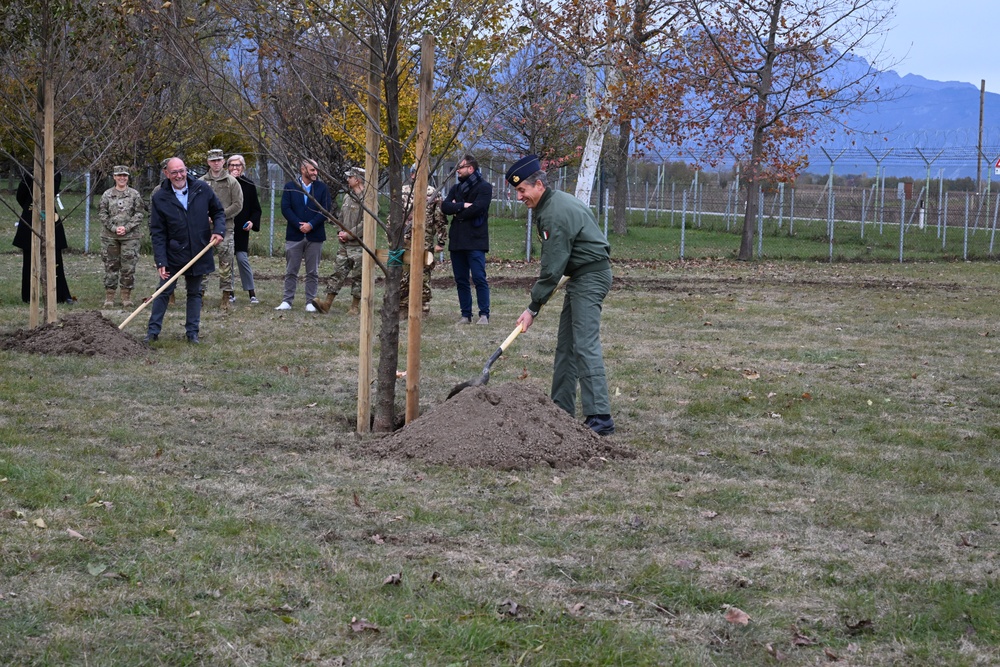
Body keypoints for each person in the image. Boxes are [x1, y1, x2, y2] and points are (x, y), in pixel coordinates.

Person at [508, 154, 615, 436]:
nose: (519, 197)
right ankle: (561, 410)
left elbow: (552, 267)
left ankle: (600, 416)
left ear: (539, 185)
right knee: (566, 345)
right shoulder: (554, 203)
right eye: (517, 191)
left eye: (522, 190)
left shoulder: (554, 212)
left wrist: (533, 307)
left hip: (590, 277)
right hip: (581, 276)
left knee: (584, 345)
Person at [145, 157, 225, 344]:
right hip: (173, 253)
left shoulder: (201, 189)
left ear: (186, 170)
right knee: (163, 291)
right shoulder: (160, 197)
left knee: (195, 292)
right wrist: (161, 261)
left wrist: (219, 231)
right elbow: (157, 232)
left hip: (198, 249)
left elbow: (218, 212)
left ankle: (192, 333)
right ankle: (152, 332)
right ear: (166, 173)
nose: (179, 175)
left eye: (182, 170)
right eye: (174, 172)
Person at [440, 154, 491, 324]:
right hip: (457, 241)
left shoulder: (485, 187)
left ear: (471, 168)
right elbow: (445, 207)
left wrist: (457, 211)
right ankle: (465, 314)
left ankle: (484, 314)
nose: (458, 171)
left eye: (460, 167)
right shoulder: (456, 188)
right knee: (461, 280)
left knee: (478, 278)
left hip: (476, 240)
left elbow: (478, 209)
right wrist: (461, 205)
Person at [13, 170, 75, 304]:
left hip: (50, 218)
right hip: (31, 218)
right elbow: (21, 196)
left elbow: (52, 192)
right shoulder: (29, 173)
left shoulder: (55, 172)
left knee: (56, 258)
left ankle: (62, 296)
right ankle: (29, 296)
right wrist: (31, 208)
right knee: (30, 260)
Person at [277, 158, 330, 311]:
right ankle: (287, 301)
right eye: (312, 170)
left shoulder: (322, 188)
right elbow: (285, 208)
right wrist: (299, 224)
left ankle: (310, 302)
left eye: (316, 170)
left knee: (312, 272)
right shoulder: (290, 186)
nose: (315, 173)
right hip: (295, 234)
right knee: (291, 270)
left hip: (315, 236)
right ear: (303, 170)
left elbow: (325, 209)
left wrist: (311, 224)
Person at [312, 167, 365, 316]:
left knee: (358, 276)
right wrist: (340, 232)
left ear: (358, 179)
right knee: (337, 273)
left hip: (359, 246)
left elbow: (366, 223)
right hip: (344, 245)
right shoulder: (348, 197)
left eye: (350, 177)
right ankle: (326, 304)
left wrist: (349, 235)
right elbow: (341, 217)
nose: (347, 180)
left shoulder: (368, 199)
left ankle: (355, 307)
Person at [201, 148, 243, 308]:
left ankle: (226, 297)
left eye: (219, 160)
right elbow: (194, 203)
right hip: (204, 229)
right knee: (203, 262)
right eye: (213, 160)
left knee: (226, 264)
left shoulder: (232, 182)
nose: (216, 163)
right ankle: (200, 295)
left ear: (223, 161)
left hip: (225, 228)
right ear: (208, 162)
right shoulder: (201, 182)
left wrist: (219, 215)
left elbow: (238, 204)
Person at [98, 165, 145, 308]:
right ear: (114, 177)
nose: (122, 178)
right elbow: (102, 213)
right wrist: (113, 228)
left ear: (128, 177)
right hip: (110, 237)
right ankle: (110, 297)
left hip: (130, 237)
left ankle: (126, 296)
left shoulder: (134, 194)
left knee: (128, 267)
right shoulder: (107, 194)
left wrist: (127, 227)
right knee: (111, 266)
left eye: (124, 175)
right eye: (119, 175)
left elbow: (139, 213)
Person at [399, 184, 447, 317]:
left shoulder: (432, 192)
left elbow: (439, 217)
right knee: (403, 273)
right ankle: (403, 305)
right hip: (404, 239)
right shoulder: (404, 190)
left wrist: (441, 240)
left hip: (424, 240)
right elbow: (394, 214)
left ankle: (423, 306)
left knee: (423, 273)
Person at [226, 154, 262, 304]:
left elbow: (256, 209)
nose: (235, 168)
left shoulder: (248, 184)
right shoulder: (224, 184)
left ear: (243, 167)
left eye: (238, 165)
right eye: (232, 165)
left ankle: (251, 293)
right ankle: (229, 292)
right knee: (227, 261)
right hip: (226, 227)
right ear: (227, 168)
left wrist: (252, 222)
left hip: (241, 229)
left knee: (242, 259)